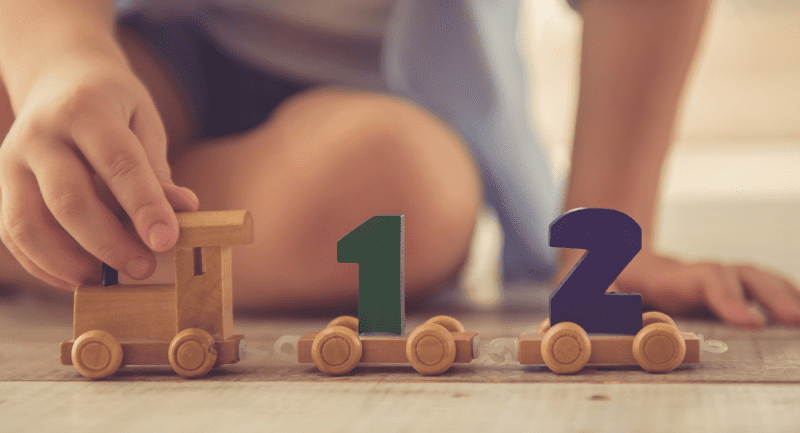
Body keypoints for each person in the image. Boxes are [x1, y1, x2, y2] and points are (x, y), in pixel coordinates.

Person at [0, 0, 796, 327]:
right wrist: (60, 59)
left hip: (380, 96)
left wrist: (613, 236)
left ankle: (52, 252)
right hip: (142, 41)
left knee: (402, 188)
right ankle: (54, 217)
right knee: (38, 112)